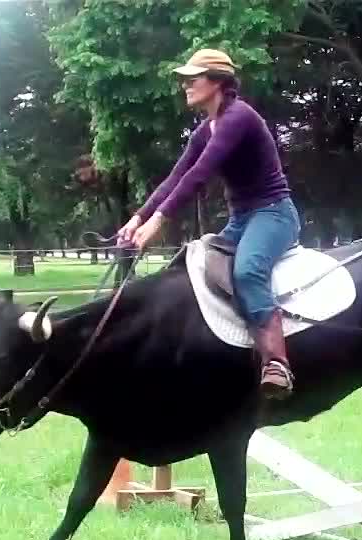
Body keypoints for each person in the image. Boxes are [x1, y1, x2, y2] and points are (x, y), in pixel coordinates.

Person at [117, 49, 300, 400]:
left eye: (193, 78)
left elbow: (199, 175)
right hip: (241, 220)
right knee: (194, 264)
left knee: (247, 272)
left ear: (217, 82)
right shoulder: (206, 129)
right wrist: (138, 216)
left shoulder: (238, 118)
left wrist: (159, 221)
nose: (185, 84)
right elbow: (176, 177)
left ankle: (276, 363)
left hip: (273, 214)